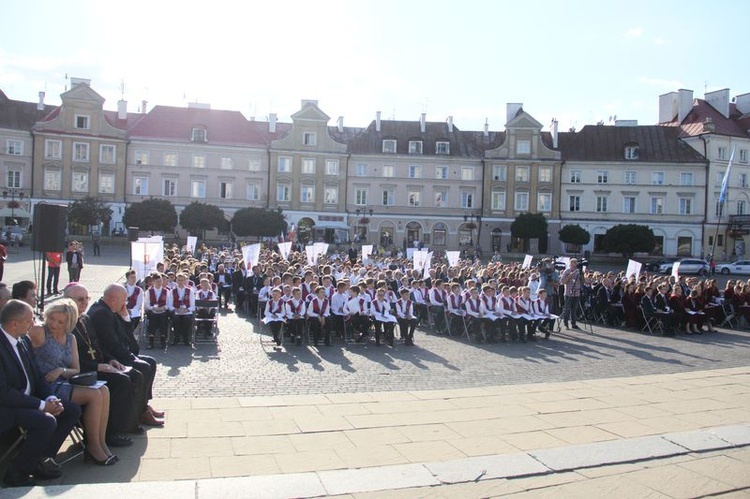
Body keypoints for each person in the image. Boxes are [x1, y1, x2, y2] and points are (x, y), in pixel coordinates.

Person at [0, 300, 82, 487]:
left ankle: (40, 459)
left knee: (71, 410)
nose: (34, 324)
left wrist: (50, 398)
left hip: (28, 399)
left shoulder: (22, 341)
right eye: (29, 320)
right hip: (8, 406)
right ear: (14, 323)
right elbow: (4, 393)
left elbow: (36, 376)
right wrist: (42, 406)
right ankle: (17, 474)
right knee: (46, 421)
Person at [28, 299, 117, 465]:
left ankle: (100, 442)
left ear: (69, 323)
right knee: (94, 396)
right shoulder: (40, 331)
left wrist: (60, 370)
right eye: (52, 318)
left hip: (63, 381)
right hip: (45, 385)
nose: (54, 324)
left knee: (103, 390)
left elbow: (75, 369)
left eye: (60, 322)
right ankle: (93, 446)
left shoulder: (70, 338)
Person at [64, 284, 139, 448]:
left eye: (86, 298)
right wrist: (98, 366)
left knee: (126, 376)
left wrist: (110, 360)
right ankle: (110, 433)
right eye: (80, 299)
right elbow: (69, 359)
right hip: (81, 372)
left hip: (96, 366)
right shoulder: (65, 324)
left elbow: (98, 347)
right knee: (121, 382)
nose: (84, 303)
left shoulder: (84, 318)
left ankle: (119, 426)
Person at [88, 284, 164, 429]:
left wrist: (125, 317)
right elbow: (112, 343)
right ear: (112, 299)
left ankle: (144, 405)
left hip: (118, 353)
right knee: (143, 367)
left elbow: (126, 335)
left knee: (151, 362)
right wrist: (130, 357)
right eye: (124, 300)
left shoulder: (109, 309)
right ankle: (138, 413)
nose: (126, 304)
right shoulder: (101, 313)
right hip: (110, 356)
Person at [559, 258, 582, 330]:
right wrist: (569, 276)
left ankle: (574, 323)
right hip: (569, 293)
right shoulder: (567, 271)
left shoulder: (579, 271)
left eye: (576, 262)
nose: (575, 264)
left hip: (577, 293)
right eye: (574, 262)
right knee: (567, 309)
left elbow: (582, 282)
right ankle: (566, 324)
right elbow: (562, 282)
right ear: (571, 263)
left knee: (574, 309)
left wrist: (582, 275)